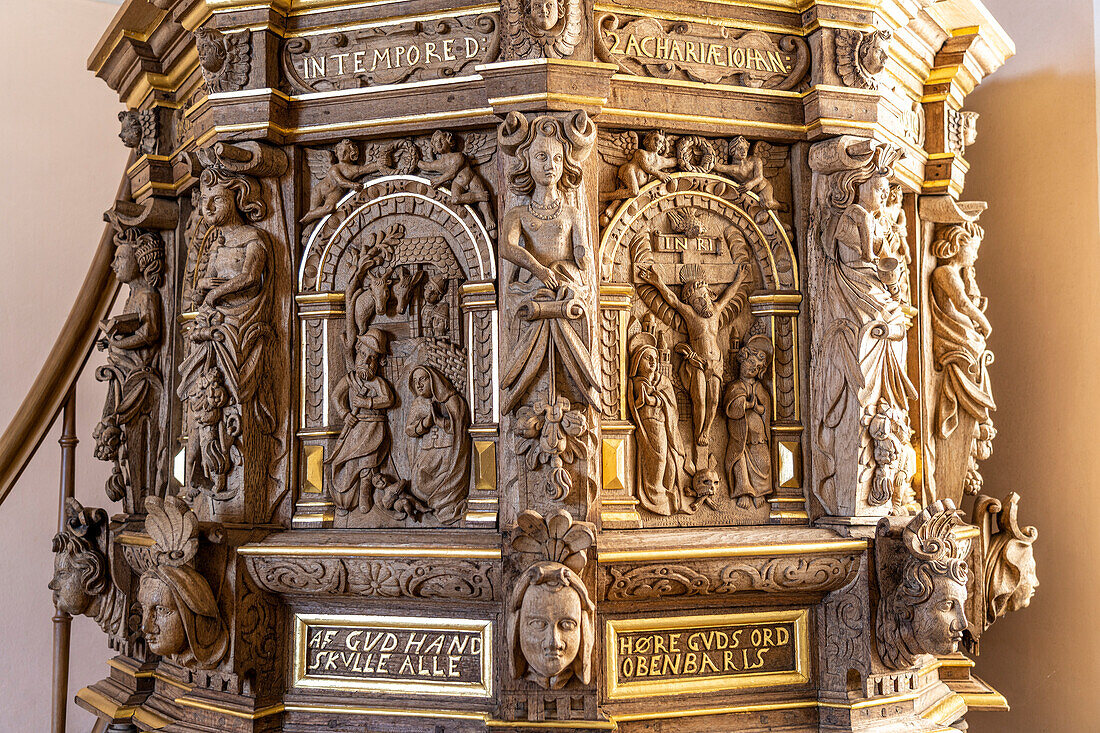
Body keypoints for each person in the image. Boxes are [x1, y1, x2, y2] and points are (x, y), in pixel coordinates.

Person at [327, 328, 395, 514]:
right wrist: (344, 413)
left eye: (371, 358)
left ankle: (366, 489)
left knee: (368, 459)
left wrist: (368, 402)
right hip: (356, 427)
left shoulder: (378, 383)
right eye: (363, 354)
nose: (365, 361)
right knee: (348, 459)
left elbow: (388, 399)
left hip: (374, 427)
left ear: (379, 361)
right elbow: (335, 396)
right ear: (357, 352)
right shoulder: (350, 380)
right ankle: (346, 494)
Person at [627, 333, 686, 515]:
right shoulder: (637, 382)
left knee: (668, 460)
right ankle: (654, 493)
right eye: (648, 358)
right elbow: (635, 404)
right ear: (638, 362)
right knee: (657, 457)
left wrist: (655, 400)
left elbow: (671, 404)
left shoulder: (664, 381)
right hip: (648, 425)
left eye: (655, 359)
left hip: (664, 424)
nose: (653, 363)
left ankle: (666, 492)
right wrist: (647, 400)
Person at [404, 365, 471, 525]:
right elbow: (409, 429)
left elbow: (460, 426)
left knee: (446, 477)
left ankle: (446, 505)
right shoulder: (418, 404)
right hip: (428, 450)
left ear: (433, 380)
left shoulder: (452, 400)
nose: (419, 385)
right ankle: (435, 506)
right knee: (418, 482)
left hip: (448, 451)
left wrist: (441, 422)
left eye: (423, 379)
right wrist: (425, 423)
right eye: (415, 381)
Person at [723, 334, 773, 510]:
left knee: (763, 462)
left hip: (758, 438)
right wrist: (747, 404)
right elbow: (732, 407)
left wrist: (759, 408)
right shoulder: (735, 386)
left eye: (757, 366)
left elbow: (765, 406)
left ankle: (759, 492)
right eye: (751, 363)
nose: (753, 368)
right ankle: (744, 492)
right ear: (742, 360)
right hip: (741, 436)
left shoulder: (759, 387)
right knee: (739, 461)